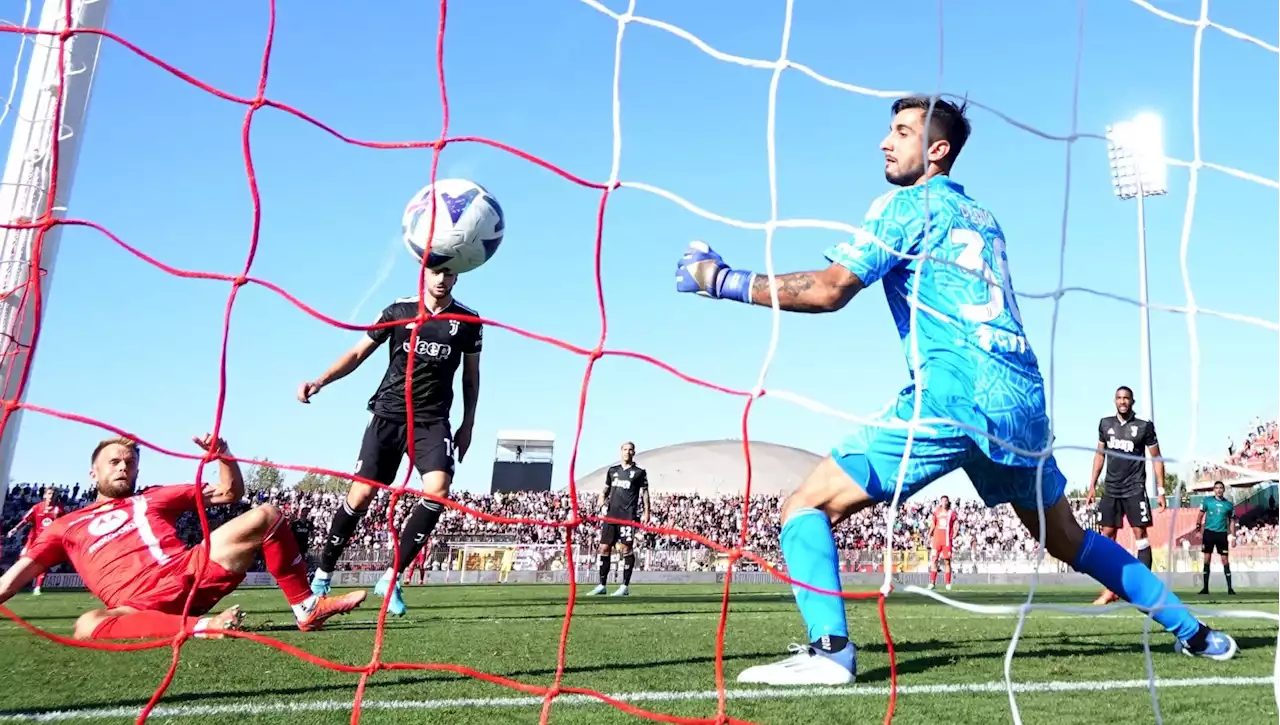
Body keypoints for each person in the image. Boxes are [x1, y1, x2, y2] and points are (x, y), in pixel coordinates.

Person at [673, 95, 1238, 686]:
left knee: (806, 506)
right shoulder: (983, 216)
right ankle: (1196, 633)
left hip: (953, 394)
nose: (884, 143)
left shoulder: (905, 206)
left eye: (900, 131)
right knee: (1068, 539)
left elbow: (831, 288)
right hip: (1022, 401)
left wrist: (722, 280)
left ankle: (831, 652)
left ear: (936, 150)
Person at [0, 435, 365, 639]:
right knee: (87, 624)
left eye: (129, 461)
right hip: (141, 606)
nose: (123, 466)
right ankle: (205, 627)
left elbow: (229, 492)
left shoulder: (154, 496)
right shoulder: (65, 526)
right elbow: (11, 581)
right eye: (114, 461)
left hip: (191, 573)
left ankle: (307, 608)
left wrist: (224, 456)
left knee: (267, 515)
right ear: (92, 472)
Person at [299, 267, 481, 616]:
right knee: (361, 495)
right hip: (389, 415)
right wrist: (320, 381)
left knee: (438, 491)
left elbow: (471, 377)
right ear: (423, 274)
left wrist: (468, 423)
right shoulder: (398, 311)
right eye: (435, 272)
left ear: (457, 277)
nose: (441, 279)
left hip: (432, 421)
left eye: (449, 273)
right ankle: (323, 575)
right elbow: (357, 354)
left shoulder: (469, 321)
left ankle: (391, 578)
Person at [1086, 385, 1166, 605]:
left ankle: (1142, 589)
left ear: (1132, 401)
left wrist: (1161, 490)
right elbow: (1099, 455)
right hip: (1111, 488)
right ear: (1115, 401)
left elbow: (1157, 458)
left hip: (1134, 488)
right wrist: (1092, 485)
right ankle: (1110, 589)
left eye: (1126, 398)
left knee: (1140, 534)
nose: (1123, 401)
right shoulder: (1105, 424)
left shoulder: (1144, 427)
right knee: (1106, 536)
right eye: (1119, 398)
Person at [587, 441, 650, 597]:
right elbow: (606, 490)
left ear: (634, 453)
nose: (627, 452)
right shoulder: (612, 471)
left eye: (630, 450)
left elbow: (645, 494)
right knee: (604, 548)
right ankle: (602, 585)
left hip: (628, 516)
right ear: (620, 452)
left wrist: (647, 512)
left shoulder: (639, 472)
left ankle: (624, 586)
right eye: (625, 449)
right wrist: (601, 498)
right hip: (611, 515)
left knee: (626, 549)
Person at [4, 487, 65, 595]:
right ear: (45, 495)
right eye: (49, 493)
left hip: (47, 541)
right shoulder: (37, 507)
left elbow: (63, 524)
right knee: (22, 560)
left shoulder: (59, 509)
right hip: (33, 540)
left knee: (43, 563)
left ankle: (37, 587)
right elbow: (25, 520)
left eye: (54, 494)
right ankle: (12, 584)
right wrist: (15, 529)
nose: (51, 496)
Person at [1195, 481, 1236, 595]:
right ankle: (1205, 588)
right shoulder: (1207, 501)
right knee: (1207, 559)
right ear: (1214, 489)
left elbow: (1232, 521)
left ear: (1223, 490)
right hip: (1209, 533)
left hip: (1222, 534)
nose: (1218, 490)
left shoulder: (1229, 505)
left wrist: (1233, 536)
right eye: (1216, 488)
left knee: (1225, 560)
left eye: (1221, 488)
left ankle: (1230, 588)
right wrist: (1198, 530)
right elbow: (1200, 515)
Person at [926, 496, 957, 591]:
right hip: (937, 540)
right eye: (942, 500)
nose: (944, 502)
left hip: (947, 540)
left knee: (947, 561)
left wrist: (955, 533)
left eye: (946, 500)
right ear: (940, 502)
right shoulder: (937, 512)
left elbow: (956, 523)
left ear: (948, 502)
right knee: (934, 560)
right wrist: (929, 534)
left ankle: (947, 583)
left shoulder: (951, 512)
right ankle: (932, 583)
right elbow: (933, 524)